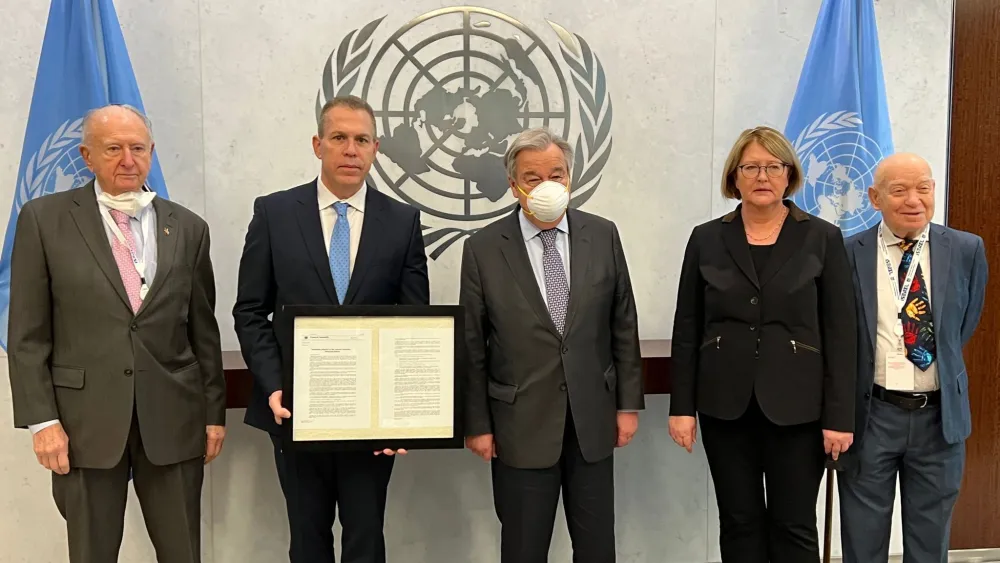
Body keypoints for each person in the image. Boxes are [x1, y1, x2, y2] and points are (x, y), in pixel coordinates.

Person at [7, 104, 226, 563]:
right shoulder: (44, 220)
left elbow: (203, 331)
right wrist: (43, 422)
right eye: (113, 149)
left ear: (151, 153)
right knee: (91, 553)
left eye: (138, 148)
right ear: (87, 156)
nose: (128, 159)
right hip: (83, 425)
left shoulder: (188, 227)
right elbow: (27, 334)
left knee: (182, 551)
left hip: (174, 420)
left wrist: (213, 415)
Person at [233, 95, 429, 563]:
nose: (350, 149)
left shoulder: (402, 221)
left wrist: (402, 410)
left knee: (366, 538)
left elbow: (413, 324)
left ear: (376, 148)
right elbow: (250, 310)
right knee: (308, 539)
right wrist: (274, 384)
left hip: (371, 418)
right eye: (339, 138)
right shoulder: (274, 213)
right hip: (298, 411)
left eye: (361, 139)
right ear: (318, 144)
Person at [668, 126, 857, 562]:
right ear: (735, 177)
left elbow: (841, 333)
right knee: (739, 521)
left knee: (793, 524)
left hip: (799, 409)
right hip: (724, 405)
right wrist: (682, 407)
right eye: (751, 166)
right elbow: (688, 327)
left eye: (774, 166)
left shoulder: (822, 237)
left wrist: (839, 416)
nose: (762, 176)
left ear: (789, 175)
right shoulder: (707, 238)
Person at [460, 127, 644, 563]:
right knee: (524, 548)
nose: (547, 186)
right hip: (518, 426)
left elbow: (623, 322)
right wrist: (478, 424)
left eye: (556, 174)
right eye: (533, 177)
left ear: (571, 177)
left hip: (593, 423)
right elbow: (472, 344)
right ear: (513, 185)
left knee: (597, 548)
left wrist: (627, 406)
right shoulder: (483, 248)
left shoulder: (602, 235)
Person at [837, 153, 988, 563]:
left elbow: (963, 325)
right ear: (874, 197)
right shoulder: (848, 252)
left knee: (929, 543)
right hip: (872, 417)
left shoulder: (966, 249)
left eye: (923, 187)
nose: (914, 200)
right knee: (862, 542)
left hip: (940, 419)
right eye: (899, 190)